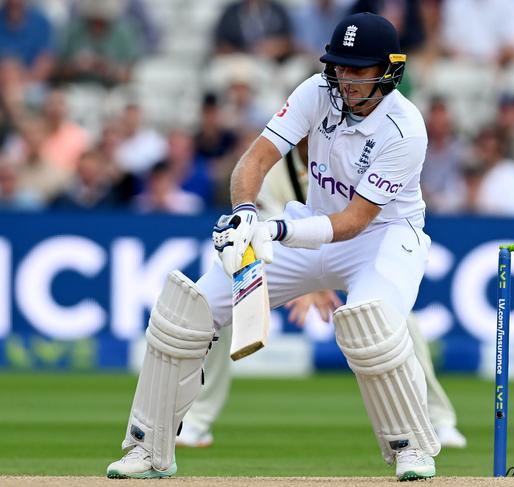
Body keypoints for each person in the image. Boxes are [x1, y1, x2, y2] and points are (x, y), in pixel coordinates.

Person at [107, 13, 440, 481]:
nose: (345, 79)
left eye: (358, 70)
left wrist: (278, 231)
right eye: (340, 67)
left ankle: (411, 448)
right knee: (185, 314)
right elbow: (257, 158)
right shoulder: (316, 91)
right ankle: (146, 449)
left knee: (372, 327)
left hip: (384, 237)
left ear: (388, 71)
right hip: (309, 227)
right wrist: (246, 213)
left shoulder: (406, 130)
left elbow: (354, 221)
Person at [176, 138, 467, 450]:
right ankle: (197, 421)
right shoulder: (273, 172)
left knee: (395, 319)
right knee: (226, 300)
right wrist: (308, 284)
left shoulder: (356, 157)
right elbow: (267, 232)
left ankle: (438, 419)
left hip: (357, 250)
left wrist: (325, 278)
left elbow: (364, 218)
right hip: (288, 250)